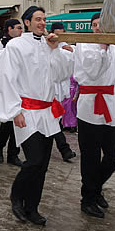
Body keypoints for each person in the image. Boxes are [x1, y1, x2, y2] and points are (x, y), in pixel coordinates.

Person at [0, 5, 74, 226]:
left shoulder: (49, 45)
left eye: (44, 19)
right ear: (27, 22)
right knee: (34, 160)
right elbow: (7, 78)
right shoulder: (16, 46)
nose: (42, 22)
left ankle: (32, 207)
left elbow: (61, 75)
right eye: (37, 19)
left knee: (42, 165)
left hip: (47, 113)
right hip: (27, 112)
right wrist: (14, 111)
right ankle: (16, 196)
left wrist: (55, 49)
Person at [74, 12, 115, 219]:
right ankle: (88, 197)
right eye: (94, 25)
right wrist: (102, 49)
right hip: (89, 107)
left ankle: (95, 187)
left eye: (101, 25)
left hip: (111, 105)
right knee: (91, 157)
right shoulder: (84, 46)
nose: (98, 28)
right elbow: (93, 73)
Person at [0, 19, 24, 167]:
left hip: (20, 86)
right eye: (18, 28)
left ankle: (13, 153)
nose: (21, 30)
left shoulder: (24, 44)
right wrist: (9, 48)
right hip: (5, 86)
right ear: (9, 29)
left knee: (17, 123)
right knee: (7, 122)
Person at [47, 22, 78, 162]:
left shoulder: (69, 47)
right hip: (48, 90)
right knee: (53, 119)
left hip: (62, 90)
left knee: (55, 119)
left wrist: (72, 52)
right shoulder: (46, 46)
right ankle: (64, 149)